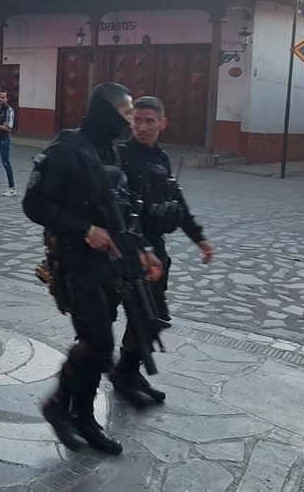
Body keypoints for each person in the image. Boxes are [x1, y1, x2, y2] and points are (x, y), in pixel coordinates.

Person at [23, 82, 160, 455]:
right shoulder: (65, 151)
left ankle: (83, 417)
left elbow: (121, 212)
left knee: (96, 343)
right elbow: (34, 205)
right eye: (125, 113)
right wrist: (84, 229)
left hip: (108, 266)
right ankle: (57, 405)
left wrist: (141, 250)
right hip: (74, 264)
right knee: (99, 345)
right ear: (104, 112)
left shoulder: (110, 154)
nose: (130, 121)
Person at [112, 96, 213, 405]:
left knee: (151, 316)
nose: (141, 126)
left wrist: (199, 239)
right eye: (137, 120)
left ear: (162, 123)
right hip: (123, 248)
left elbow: (177, 203)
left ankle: (127, 371)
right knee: (113, 315)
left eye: (149, 121)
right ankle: (100, 377)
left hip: (154, 249)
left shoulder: (162, 159)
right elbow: (115, 206)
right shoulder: (118, 156)